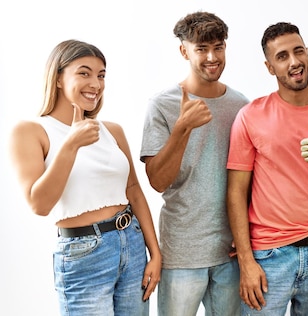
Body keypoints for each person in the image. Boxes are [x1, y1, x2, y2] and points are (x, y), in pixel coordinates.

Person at [8, 39, 161, 315]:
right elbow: (39, 204)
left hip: (133, 243)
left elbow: (134, 191)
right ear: (57, 78)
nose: (96, 83)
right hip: (83, 254)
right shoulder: (31, 131)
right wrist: (71, 144)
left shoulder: (112, 130)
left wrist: (156, 253)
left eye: (101, 75)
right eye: (84, 72)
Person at [226, 22, 308, 316]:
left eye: (299, 52)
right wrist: (246, 261)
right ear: (270, 67)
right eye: (282, 56)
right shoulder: (250, 116)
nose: (294, 61)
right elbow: (236, 192)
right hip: (267, 255)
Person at [139, 11, 249, 316]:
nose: (212, 57)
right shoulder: (161, 105)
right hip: (181, 252)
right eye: (201, 49)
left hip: (231, 252)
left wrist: (247, 236)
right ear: (184, 50)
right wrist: (182, 129)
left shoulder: (242, 106)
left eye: (219, 47)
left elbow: (250, 180)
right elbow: (157, 180)